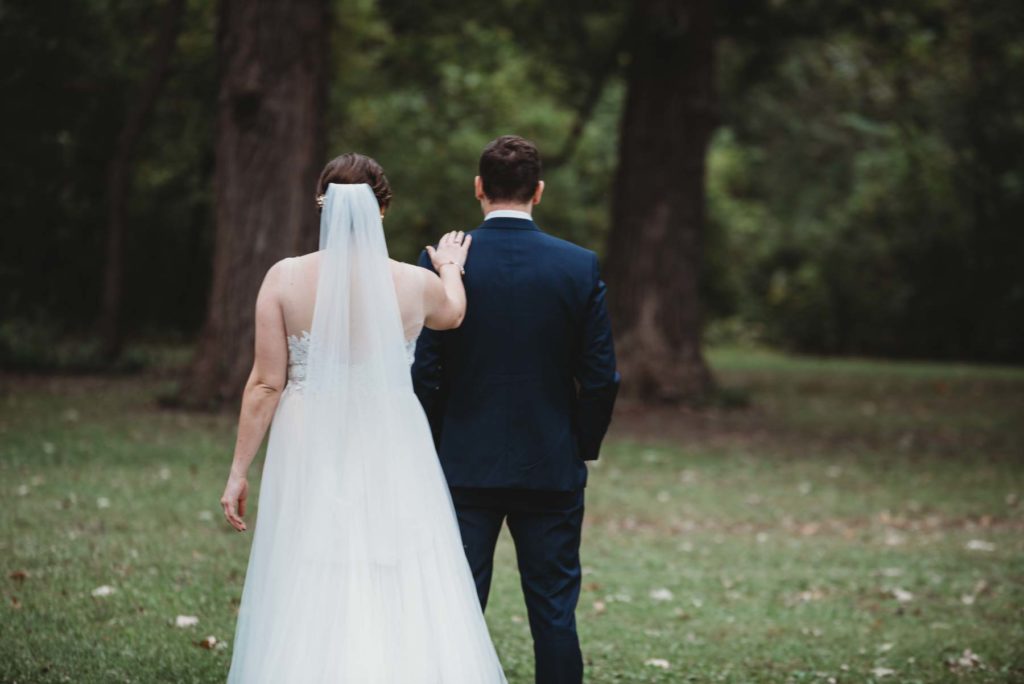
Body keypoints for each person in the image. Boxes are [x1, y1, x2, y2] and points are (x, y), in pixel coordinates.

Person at [219, 153, 506, 683]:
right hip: (391, 435)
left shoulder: (284, 279)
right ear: (381, 210)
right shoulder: (411, 284)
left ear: (323, 206)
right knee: (393, 557)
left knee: (310, 555)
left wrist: (239, 471)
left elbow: (265, 382)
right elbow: (454, 312)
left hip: (309, 437)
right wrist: (448, 267)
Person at [413, 135, 619, 684]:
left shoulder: (444, 263)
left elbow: (424, 370)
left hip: (461, 464)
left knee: (454, 610)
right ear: (540, 192)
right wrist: (579, 444)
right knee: (554, 614)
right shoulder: (577, 266)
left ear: (479, 189)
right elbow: (601, 377)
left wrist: (436, 442)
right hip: (550, 464)